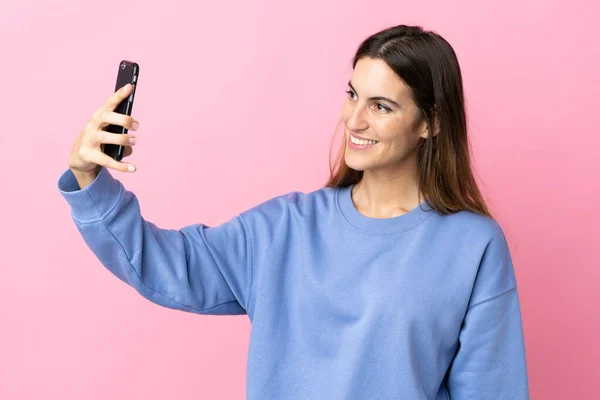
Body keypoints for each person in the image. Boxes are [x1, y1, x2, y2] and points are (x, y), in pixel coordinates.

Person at [57, 24, 530, 399]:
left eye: (381, 106)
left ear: (431, 122)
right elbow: (164, 266)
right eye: (352, 95)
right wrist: (87, 178)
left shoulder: (473, 245)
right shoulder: (285, 228)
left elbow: (492, 388)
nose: (355, 120)